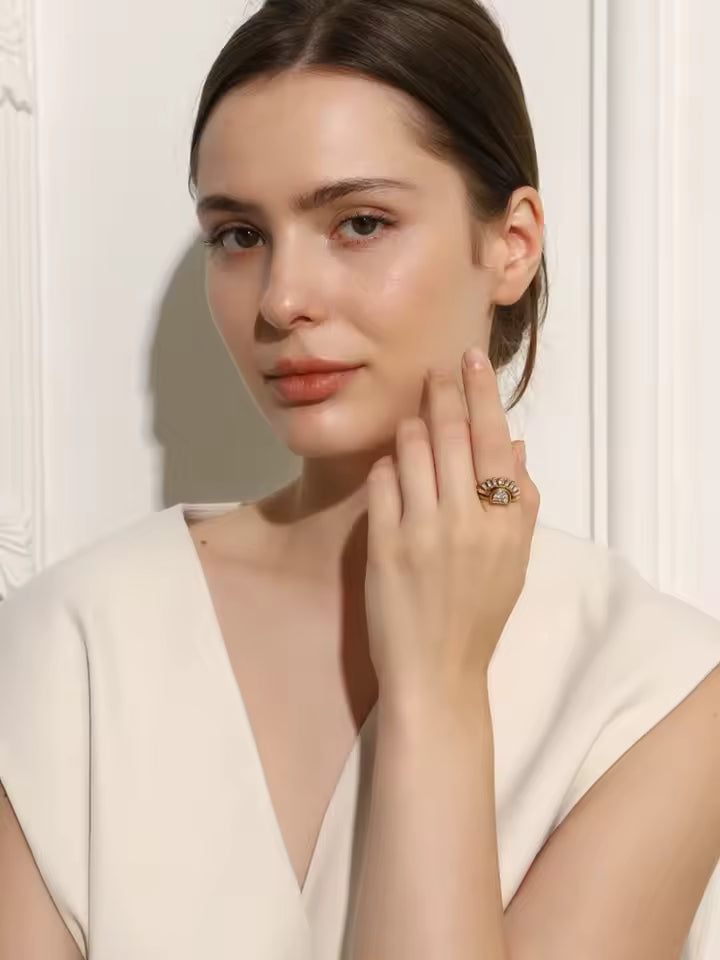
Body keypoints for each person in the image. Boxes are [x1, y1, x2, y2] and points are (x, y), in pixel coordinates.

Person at [1, 0, 719, 957]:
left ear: (511, 244)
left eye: (360, 222)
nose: (284, 299)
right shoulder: (70, 646)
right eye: (238, 236)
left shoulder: (659, 689)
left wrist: (435, 689)